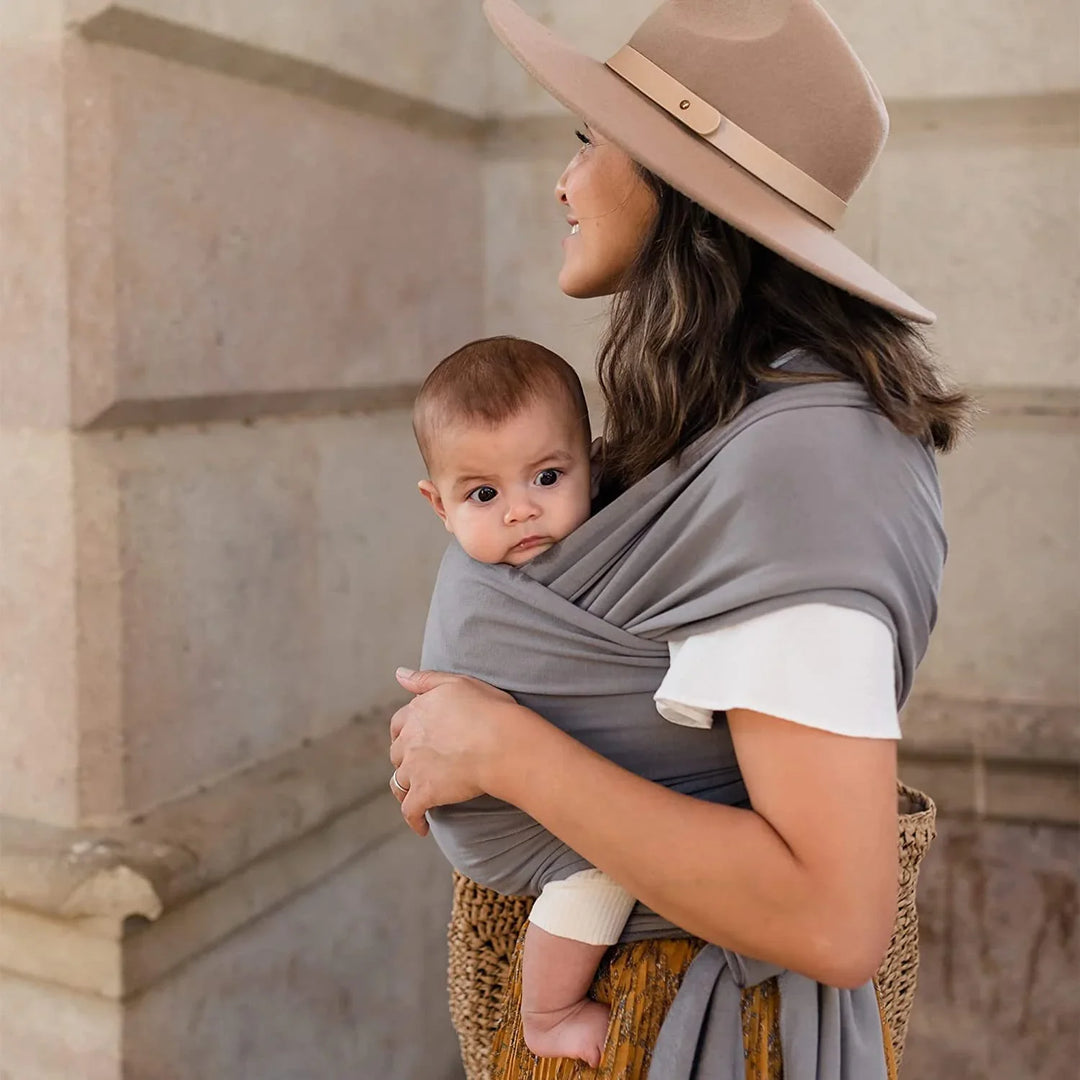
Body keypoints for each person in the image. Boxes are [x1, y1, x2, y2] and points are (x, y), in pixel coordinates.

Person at [390, 1, 971, 1077]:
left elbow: (837, 917)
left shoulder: (807, 467)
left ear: (677, 187)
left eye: (588, 140)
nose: (562, 184)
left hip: (688, 1032)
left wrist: (501, 749)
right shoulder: (725, 427)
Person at [409, 335, 631, 1065]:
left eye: (545, 476)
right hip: (500, 820)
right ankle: (550, 1011)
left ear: (591, 467)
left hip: (521, 775)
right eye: (483, 494)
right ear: (438, 506)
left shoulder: (594, 552)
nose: (520, 512)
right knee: (606, 869)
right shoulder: (481, 602)